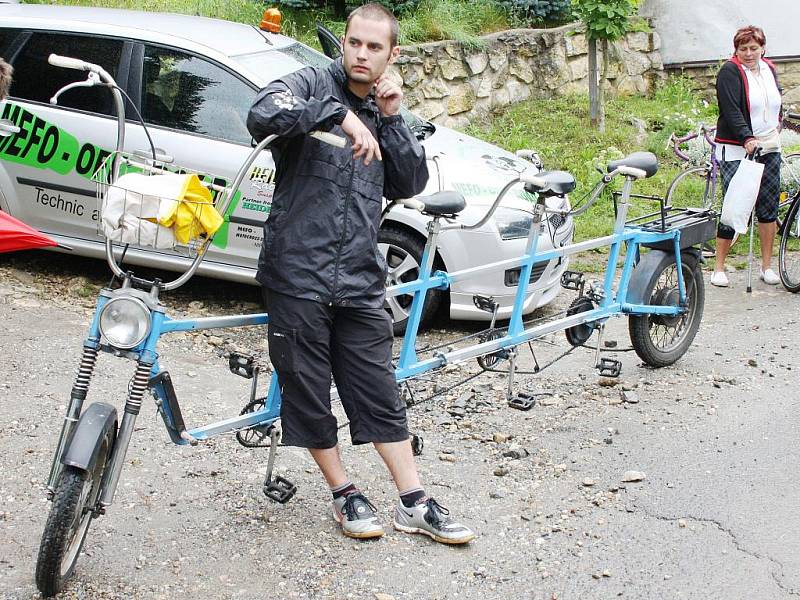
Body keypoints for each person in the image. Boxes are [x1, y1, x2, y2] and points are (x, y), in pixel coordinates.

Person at [246, 3, 475, 545]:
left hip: (357, 277)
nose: (361, 54)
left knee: (377, 389)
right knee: (306, 389)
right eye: (354, 43)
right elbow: (263, 110)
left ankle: (414, 500)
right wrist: (336, 114)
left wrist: (391, 117)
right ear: (343, 43)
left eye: (374, 47)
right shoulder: (311, 81)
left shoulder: (385, 106)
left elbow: (411, 178)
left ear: (392, 55)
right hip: (297, 272)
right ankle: (344, 491)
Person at [711, 25, 783, 287]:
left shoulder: (769, 68)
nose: (749, 53)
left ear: (763, 48)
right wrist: (747, 138)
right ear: (736, 50)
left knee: (768, 206)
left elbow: (776, 102)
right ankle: (719, 267)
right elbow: (731, 110)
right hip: (737, 148)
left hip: (769, 146)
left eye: (754, 48)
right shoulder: (730, 72)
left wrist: (777, 125)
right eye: (744, 49)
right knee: (735, 206)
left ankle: (767, 266)